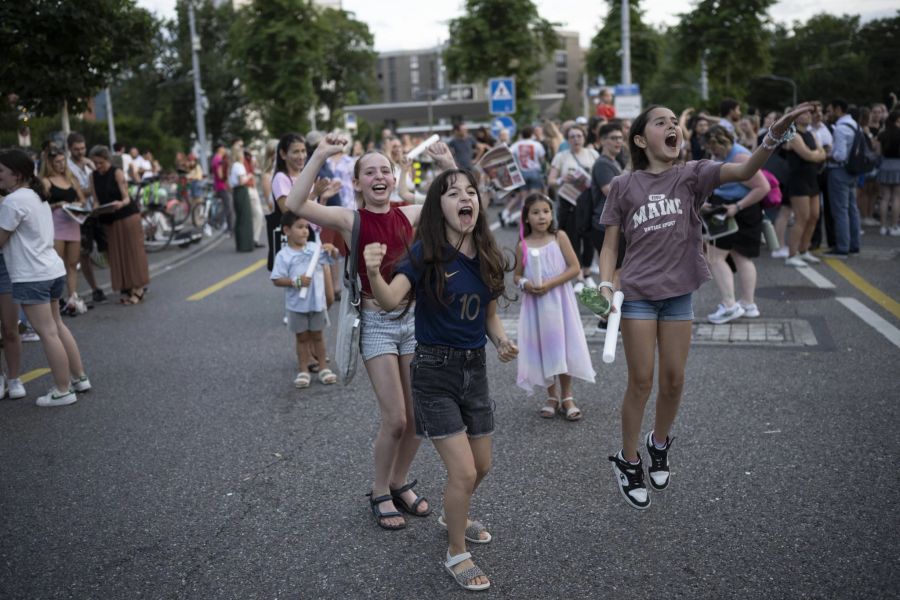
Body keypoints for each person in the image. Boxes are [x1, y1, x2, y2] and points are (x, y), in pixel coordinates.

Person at [597, 103, 812, 509]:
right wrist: (607, 286)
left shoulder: (693, 174)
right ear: (642, 140)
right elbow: (610, 246)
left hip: (678, 293)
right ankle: (628, 461)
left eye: (674, 121)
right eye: (661, 122)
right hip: (639, 295)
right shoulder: (625, 186)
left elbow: (747, 172)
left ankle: (658, 442)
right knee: (641, 381)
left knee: (674, 380)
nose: (672, 126)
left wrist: (773, 135)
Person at [285, 135, 456, 532]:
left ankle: (399, 480)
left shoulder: (410, 213)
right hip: (376, 324)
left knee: (418, 418)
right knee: (395, 418)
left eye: (385, 170)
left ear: (393, 178)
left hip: (414, 320)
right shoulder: (351, 219)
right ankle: (380, 489)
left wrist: (447, 163)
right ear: (358, 183)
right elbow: (295, 205)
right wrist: (322, 155)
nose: (379, 176)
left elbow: (456, 200)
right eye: (370, 172)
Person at [363, 168, 517, 592]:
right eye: (453, 193)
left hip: (475, 369)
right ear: (439, 207)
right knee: (464, 472)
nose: (465, 198)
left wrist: (501, 340)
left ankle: (455, 513)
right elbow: (391, 298)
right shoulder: (423, 254)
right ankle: (456, 552)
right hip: (433, 371)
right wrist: (374, 272)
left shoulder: (485, 253)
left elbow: (488, 314)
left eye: (471, 192)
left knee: (481, 465)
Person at [0, 149, 91, 407]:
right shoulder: (36, 195)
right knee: (57, 326)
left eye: (1, 172)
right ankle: (79, 378)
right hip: (51, 269)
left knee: (48, 332)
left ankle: (63, 390)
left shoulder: (13, 202)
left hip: (32, 275)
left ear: (16, 175)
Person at [513, 193, 593, 420]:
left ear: (552, 214)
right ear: (526, 218)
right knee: (543, 348)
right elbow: (516, 276)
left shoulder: (560, 237)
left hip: (559, 302)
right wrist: (525, 284)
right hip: (536, 306)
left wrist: (549, 284)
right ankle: (551, 395)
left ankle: (567, 395)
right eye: (536, 212)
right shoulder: (523, 245)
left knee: (563, 346)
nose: (542, 217)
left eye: (546, 212)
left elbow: (574, 267)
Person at [704, 125, 770, 323]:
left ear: (722, 141)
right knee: (741, 257)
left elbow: (763, 187)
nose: (712, 151)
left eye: (713, 147)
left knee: (714, 256)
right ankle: (748, 304)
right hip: (736, 210)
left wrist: (737, 207)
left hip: (738, 211)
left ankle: (730, 305)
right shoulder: (728, 154)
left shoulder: (739, 157)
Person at [270, 212, 336, 388]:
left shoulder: (315, 248)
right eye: (300, 227)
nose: (305, 231)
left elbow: (330, 259)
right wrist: (295, 281)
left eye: (306, 227)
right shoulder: (283, 255)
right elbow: (276, 279)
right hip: (296, 305)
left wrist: (332, 250)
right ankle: (303, 370)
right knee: (302, 338)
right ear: (287, 230)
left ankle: (323, 367)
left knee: (318, 336)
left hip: (316, 302)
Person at [88, 146, 149, 305]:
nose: (98, 166)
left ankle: (139, 289)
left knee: (133, 252)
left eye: (100, 163)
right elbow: (95, 200)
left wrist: (119, 204)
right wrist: (95, 208)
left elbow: (127, 198)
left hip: (127, 215)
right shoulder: (93, 176)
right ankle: (128, 288)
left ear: (107, 160)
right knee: (118, 254)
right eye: (95, 163)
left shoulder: (117, 172)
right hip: (109, 219)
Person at [547, 124, 599, 290]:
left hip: (589, 202)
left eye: (579, 136)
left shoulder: (592, 154)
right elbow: (551, 181)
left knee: (589, 239)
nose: (576, 139)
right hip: (568, 203)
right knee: (572, 239)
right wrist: (563, 179)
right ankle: (577, 277)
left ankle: (587, 273)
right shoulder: (561, 156)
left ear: (584, 138)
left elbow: (599, 178)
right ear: (567, 140)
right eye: (572, 137)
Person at [39, 147, 87, 315]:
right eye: (57, 162)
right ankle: (55, 299)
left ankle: (72, 297)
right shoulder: (45, 181)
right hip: (56, 223)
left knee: (72, 263)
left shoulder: (71, 179)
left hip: (73, 221)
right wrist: (57, 205)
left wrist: (79, 205)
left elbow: (82, 199)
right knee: (56, 264)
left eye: (63, 161)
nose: (61, 164)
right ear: (50, 163)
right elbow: (40, 206)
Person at [783, 108, 827, 266]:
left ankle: (804, 250)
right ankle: (791, 255)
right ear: (795, 117)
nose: (809, 115)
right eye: (804, 113)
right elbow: (808, 155)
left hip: (812, 178)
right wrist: (816, 154)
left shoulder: (812, 134)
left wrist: (815, 154)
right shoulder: (793, 135)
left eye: (810, 113)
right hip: (798, 180)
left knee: (814, 216)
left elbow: (823, 153)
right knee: (802, 217)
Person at [67, 133, 106, 304]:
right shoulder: (67, 168)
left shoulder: (90, 164)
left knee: (107, 247)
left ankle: (122, 282)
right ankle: (95, 288)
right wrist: (92, 188)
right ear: (70, 149)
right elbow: (79, 192)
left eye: (82, 148)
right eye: (76, 149)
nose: (80, 152)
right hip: (82, 215)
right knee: (84, 253)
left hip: (97, 210)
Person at [824, 99, 863, 258]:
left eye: (830, 109)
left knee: (840, 210)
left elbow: (840, 155)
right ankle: (854, 244)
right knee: (852, 209)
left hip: (839, 171)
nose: (829, 113)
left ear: (838, 109)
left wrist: (827, 155)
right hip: (853, 171)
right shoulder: (855, 125)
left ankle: (842, 247)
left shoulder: (840, 128)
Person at [266, 133, 306, 271]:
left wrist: (324, 196)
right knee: (299, 286)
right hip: (295, 242)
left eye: (303, 151)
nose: (301, 156)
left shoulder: (304, 176)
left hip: (310, 237)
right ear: (283, 154)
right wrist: (315, 194)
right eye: (296, 151)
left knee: (319, 288)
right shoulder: (280, 178)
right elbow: (288, 212)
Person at [502, 126, 546, 226]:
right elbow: (542, 159)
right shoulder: (537, 144)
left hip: (522, 173)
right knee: (534, 197)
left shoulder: (516, 144)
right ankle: (530, 219)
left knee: (524, 197)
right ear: (532, 134)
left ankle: (523, 218)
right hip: (535, 171)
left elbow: (508, 154)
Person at [875, 108, 900, 236]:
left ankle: (883, 227)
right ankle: (894, 226)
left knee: (884, 198)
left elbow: (878, 153)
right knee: (896, 197)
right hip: (898, 165)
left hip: (885, 165)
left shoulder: (882, 133)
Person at [228, 141, 254, 252]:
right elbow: (241, 181)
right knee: (245, 217)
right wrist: (249, 176)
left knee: (239, 218)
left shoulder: (232, 166)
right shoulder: (239, 166)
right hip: (242, 191)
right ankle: (245, 245)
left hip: (236, 192)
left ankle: (240, 244)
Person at [210, 144, 234, 234]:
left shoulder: (214, 159)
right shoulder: (218, 159)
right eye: (224, 148)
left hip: (218, 186)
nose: (225, 150)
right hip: (222, 186)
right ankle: (214, 221)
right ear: (220, 149)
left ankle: (230, 227)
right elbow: (220, 175)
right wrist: (226, 177)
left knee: (228, 207)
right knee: (228, 207)